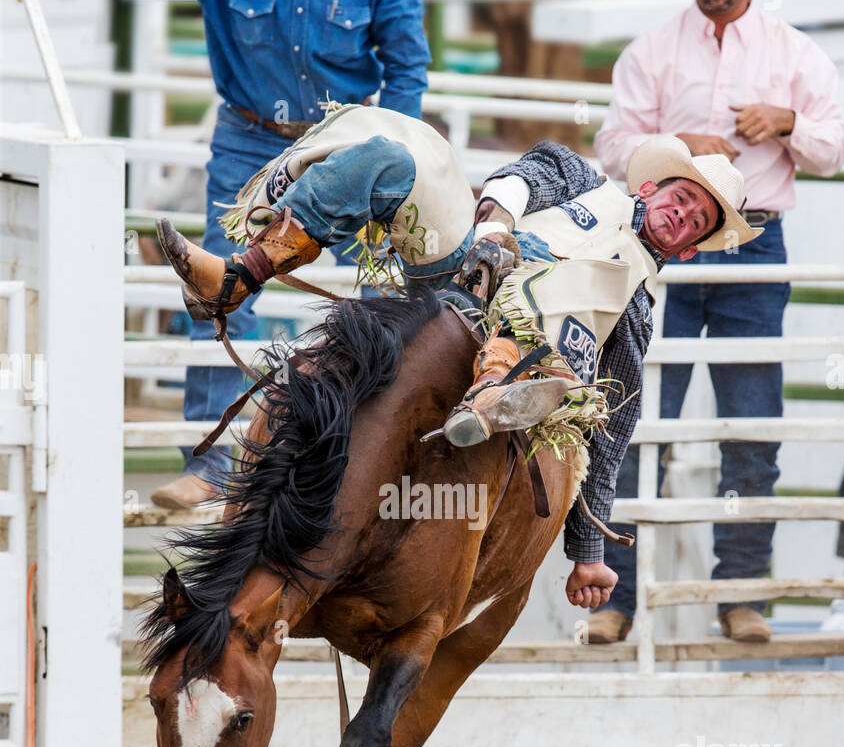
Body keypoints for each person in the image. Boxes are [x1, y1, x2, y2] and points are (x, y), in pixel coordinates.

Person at [156, 104, 758, 610]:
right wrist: (496, 233)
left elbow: (612, 429)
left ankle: (499, 381)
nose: (682, 215)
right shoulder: (580, 180)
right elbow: (523, 176)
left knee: (590, 290)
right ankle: (241, 273)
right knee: (403, 156)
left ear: (687, 251)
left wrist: (588, 554)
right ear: (651, 188)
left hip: (539, 340)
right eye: (682, 199)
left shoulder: (634, 315)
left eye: (696, 223)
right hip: (464, 267)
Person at [0, 0, 429, 509]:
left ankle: (346, 463)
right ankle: (212, 460)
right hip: (250, 141)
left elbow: (407, 69)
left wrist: (387, 148)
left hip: (343, 144)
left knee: (362, 302)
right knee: (218, 289)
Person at [592, 0, 844, 645]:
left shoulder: (793, 54)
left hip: (749, 243)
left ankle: (742, 596)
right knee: (635, 421)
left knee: (750, 425)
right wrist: (684, 141)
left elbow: (835, 148)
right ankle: (618, 596)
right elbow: (613, 147)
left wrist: (788, 123)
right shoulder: (653, 52)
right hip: (666, 249)